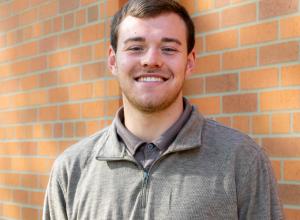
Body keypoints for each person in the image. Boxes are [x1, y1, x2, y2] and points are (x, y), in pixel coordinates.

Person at [43, 0, 283, 219]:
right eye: (136, 47)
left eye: (168, 49)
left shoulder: (242, 161)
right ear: (113, 61)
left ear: (189, 62)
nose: (151, 60)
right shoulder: (71, 170)